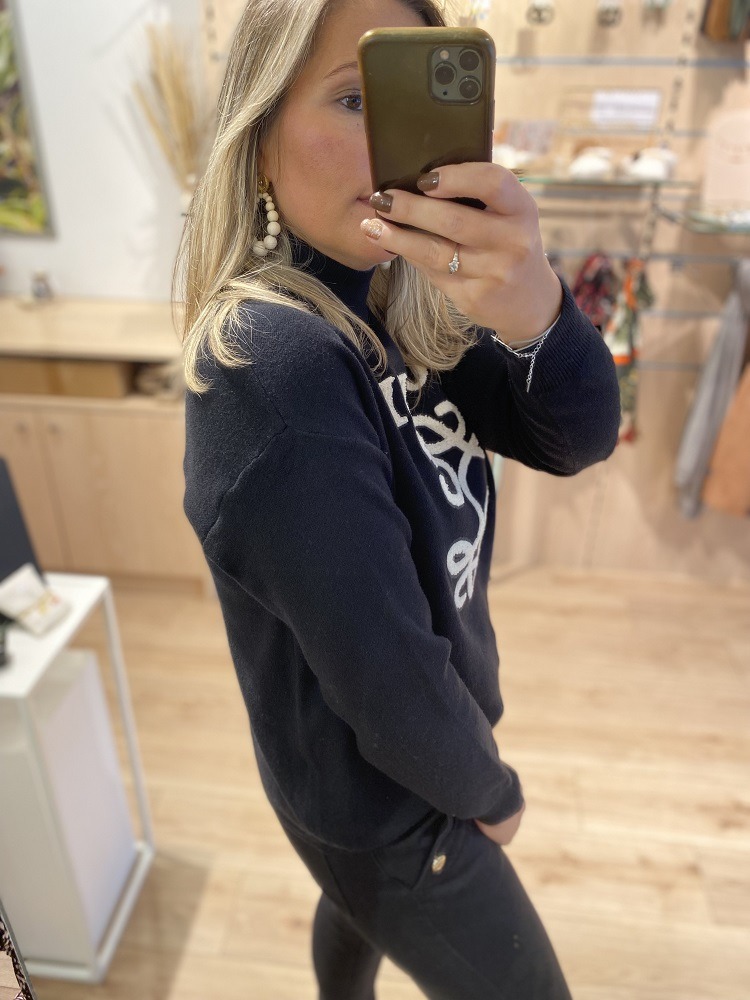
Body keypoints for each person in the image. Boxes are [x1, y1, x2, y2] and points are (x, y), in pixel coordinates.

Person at [177, 0, 621, 997]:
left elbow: (576, 438)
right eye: (351, 99)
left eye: (403, 100)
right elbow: (383, 673)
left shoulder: (398, 296)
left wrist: (537, 309)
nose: (391, 149)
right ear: (259, 138)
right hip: (391, 802)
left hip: (392, 763)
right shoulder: (275, 367)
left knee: (351, 915)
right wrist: (490, 792)